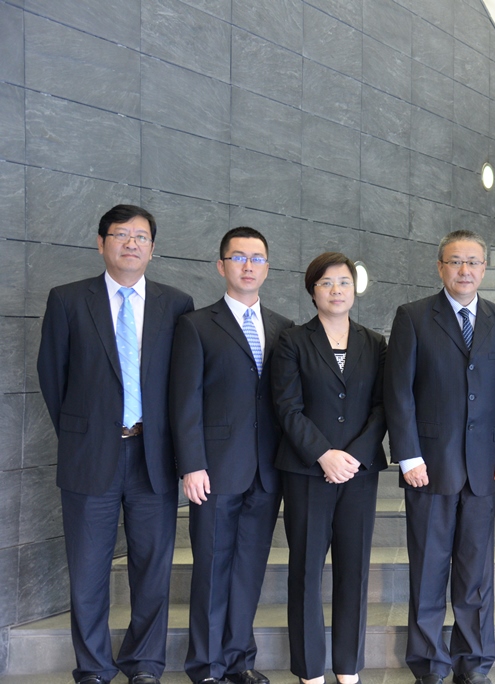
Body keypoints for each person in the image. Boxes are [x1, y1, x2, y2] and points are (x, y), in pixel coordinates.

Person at [37, 204, 195, 684]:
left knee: (152, 569)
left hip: (154, 456)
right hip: (90, 456)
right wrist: (85, 435)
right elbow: (53, 376)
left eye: (141, 236)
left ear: (152, 247)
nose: (131, 243)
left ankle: (144, 664)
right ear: (101, 242)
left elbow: (183, 385)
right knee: (88, 570)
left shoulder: (176, 304)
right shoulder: (68, 299)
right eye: (121, 234)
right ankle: (93, 667)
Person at [383, 229, 495, 684]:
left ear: (485, 268)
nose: (465, 270)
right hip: (428, 466)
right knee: (428, 570)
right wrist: (408, 455)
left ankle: (473, 662)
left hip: (484, 468)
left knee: (475, 574)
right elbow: (398, 391)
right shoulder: (413, 316)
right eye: (456, 261)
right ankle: (429, 664)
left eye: (473, 262)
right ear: (440, 267)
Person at [169, 227, 293, 684]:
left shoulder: (284, 327)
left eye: (257, 258)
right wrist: (191, 464)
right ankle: (206, 666)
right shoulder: (196, 325)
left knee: (248, 570)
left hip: (267, 470)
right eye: (238, 257)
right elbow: (184, 401)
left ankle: (240, 660)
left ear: (267, 268)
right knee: (212, 568)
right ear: (221, 265)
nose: (248, 266)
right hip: (215, 469)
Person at [272, 251, 388, 684]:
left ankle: (348, 668)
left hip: (359, 473)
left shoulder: (375, 343)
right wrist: (323, 454)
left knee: (354, 571)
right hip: (307, 472)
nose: (336, 290)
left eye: (343, 282)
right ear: (312, 291)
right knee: (305, 571)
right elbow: (287, 407)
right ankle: (309, 672)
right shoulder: (291, 341)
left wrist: (353, 456)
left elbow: (383, 406)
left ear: (355, 289)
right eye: (326, 283)